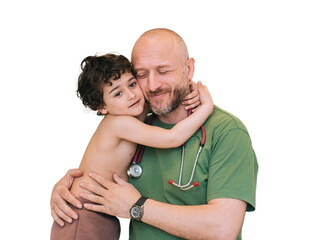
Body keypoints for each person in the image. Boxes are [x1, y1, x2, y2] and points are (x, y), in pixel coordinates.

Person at [51, 28, 258, 240]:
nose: (152, 85)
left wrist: (137, 206)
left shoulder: (226, 131)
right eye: (141, 75)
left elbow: (223, 229)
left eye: (163, 71)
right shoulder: (137, 124)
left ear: (189, 69)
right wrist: (65, 190)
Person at [50, 53, 213, 239]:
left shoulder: (133, 111)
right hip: (83, 212)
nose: (131, 95)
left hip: (103, 211)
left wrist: (190, 88)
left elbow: (166, 100)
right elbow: (172, 138)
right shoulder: (118, 124)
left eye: (132, 84)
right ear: (101, 107)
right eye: (117, 93)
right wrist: (206, 107)